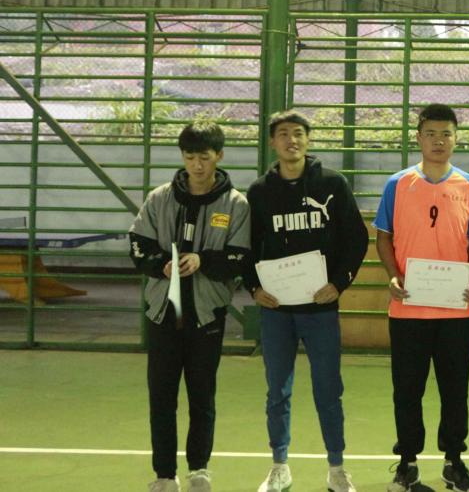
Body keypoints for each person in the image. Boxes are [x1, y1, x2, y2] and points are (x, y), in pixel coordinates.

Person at [243, 110, 369, 492]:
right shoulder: (259, 192)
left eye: (298, 133)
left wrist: (339, 283)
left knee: (328, 390)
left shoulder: (332, 183)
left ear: (308, 139)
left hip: (320, 308)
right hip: (277, 311)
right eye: (283, 134)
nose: (291, 140)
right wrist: (253, 288)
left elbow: (356, 239)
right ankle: (279, 466)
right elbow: (245, 247)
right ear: (273, 142)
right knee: (277, 391)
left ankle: (336, 468)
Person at [129, 121, 251, 492]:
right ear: (182, 157)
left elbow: (240, 256)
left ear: (219, 156)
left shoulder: (236, 204)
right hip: (162, 314)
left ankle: (199, 469)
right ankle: (165, 474)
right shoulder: (159, 198)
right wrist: (160, 265)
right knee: (161, 398)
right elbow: (137, 246)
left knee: (202, 397)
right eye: (190, 157)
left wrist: (203, 260)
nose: (197, 165)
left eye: (205, 157)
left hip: (206, 317)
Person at [374, 104, 469, 492]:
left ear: (456, 139)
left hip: (456, 310)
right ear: (418, 138)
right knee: (407, 390)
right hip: (408, 308)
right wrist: (393, 275)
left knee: (455, 391)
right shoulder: (397, 184)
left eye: (446, 134)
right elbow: (383, 237)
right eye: (431, 134)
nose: (439, 141)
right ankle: (407, 462)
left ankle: (454, 461)